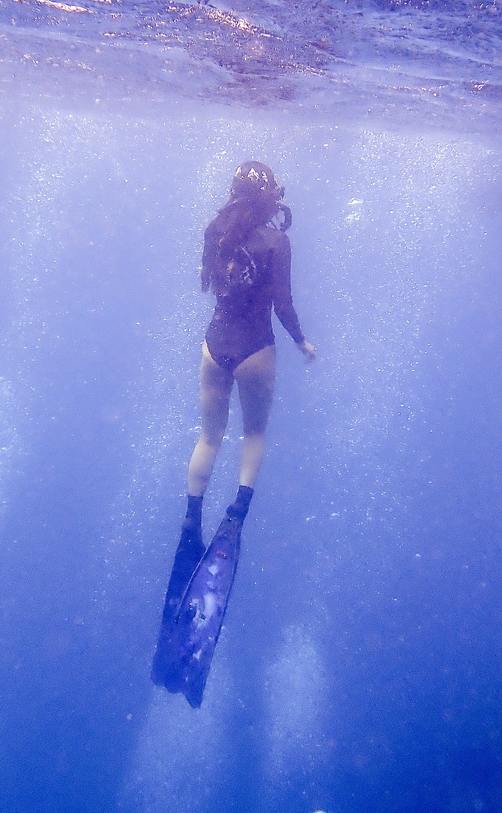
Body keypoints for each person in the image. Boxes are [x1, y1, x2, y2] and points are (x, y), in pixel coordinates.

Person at [151, 161, 316, 707]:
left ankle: (193, 513)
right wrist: (301, 342)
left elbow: (212, 284)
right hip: (255, 349)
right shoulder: (276, 242)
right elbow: (283, 303)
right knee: (254, 436)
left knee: (209, 436)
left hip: (214, 344)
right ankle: (236, 513)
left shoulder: (216, 232)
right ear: (270, 196)